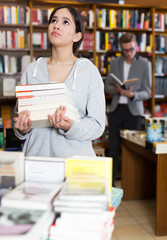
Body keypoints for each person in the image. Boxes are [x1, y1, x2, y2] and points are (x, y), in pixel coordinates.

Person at [14, 5, 105, 157]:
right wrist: (22, 128)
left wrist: (71, 127)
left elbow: (97, 125)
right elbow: (19, 118)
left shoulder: (89, 71)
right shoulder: (32, 70)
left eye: (65, 22)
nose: (56, 25)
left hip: (75, 164)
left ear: (77, 36)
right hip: (36, 161)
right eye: (54, 20)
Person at [105, 32, 152, 187]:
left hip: (134, 113)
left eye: (131, 49)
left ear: (136, 46)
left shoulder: (145, 64)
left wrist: (133, 95)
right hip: (117, 110)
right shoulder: (115, 62)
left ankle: (132, 187)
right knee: (113, 150)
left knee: (134, 152)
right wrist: (117, 90)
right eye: (125, 50)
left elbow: (147, 91)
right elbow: (107, 87)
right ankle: (111, 186)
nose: (129, 53)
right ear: (121, 49)